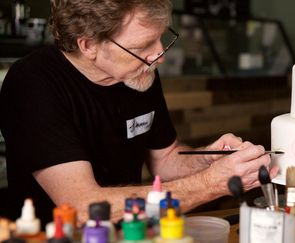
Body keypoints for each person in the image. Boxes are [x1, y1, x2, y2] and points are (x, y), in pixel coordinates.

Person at [0, 0, 278, 226]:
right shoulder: (33, 83)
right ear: (89, 45)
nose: (159, 55)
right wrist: (213, 183)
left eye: (160, 38)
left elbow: (165, 161)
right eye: (142, 46)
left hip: (129, 231)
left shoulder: (139, 73)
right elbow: (83, 206)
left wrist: (207, 159)